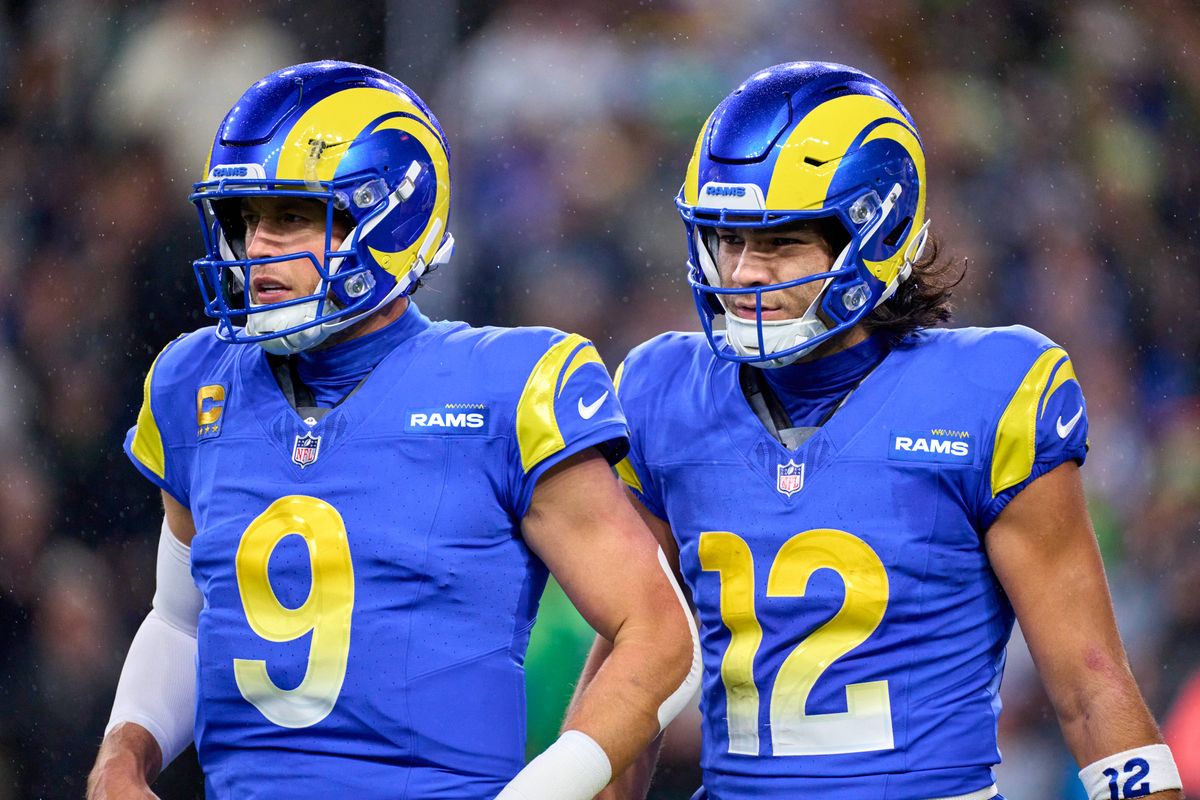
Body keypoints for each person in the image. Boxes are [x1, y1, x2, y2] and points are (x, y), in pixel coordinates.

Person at [86, 60, 699, 800]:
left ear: (388, 216)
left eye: (290, 217)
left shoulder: (507, 386)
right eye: (246, 220)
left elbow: (660, 634)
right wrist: (124, 752)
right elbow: (182, 622)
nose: (255, 248)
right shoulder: (195, 381)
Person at [576, 61, 1183, 800]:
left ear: (874, 229)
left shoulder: (987, 394)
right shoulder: (662, 393)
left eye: (780, 242)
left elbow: (1090, 687)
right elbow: (630, 676)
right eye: (727, 238)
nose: (742, 272)